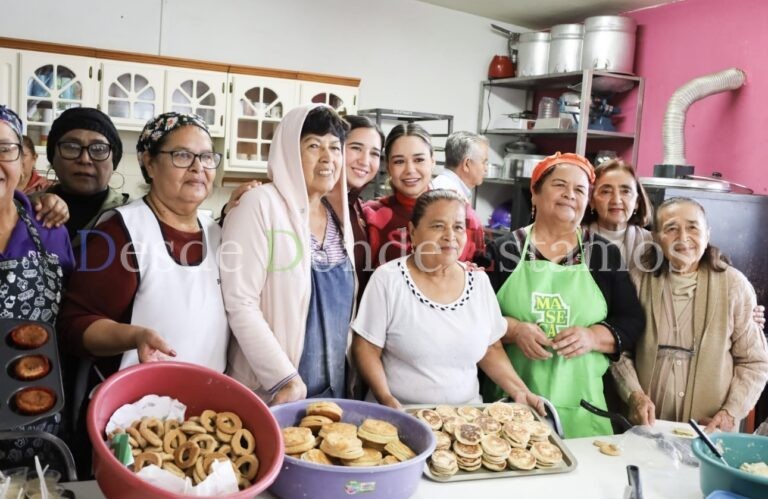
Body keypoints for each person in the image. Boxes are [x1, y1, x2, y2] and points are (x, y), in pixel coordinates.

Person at [482, 152, 645, 438]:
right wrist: (515, 330)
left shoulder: (603, 254)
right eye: (559, 185)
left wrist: (593, 336)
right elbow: (476, 321)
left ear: (588, 201)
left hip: (582, 410)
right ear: (535, 193)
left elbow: (631, 321)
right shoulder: (503, 251)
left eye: (580, 189)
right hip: (510, 406)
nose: (570, 195)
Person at [58, 111, 229, 374]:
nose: (198, 167)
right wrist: (133, 336)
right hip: (134, 407)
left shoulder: (217, 233)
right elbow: (75, 325)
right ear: (149, 163)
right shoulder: (120, 232)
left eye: (207, 156)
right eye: (182, 155)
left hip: (207, 404)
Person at [352, 189, 544, 412]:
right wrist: (385, 398)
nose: (450, 235)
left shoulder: (478, 282)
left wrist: (521, 391)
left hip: (464, 418)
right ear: (413, 232)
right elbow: (366, 347)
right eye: (438, 226)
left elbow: (491, 348)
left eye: (458, 227)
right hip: (400, 414)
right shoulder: (388, 279)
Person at [221, 104, 355, 404]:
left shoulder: (336, 217)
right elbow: (240, 302)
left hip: (331, 394)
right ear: (288, 152)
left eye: (335, 147)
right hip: (275, 392)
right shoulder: (259, 205)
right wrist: (286, 380)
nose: (327, 158)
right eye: (313, 145)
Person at [611, 197, 768, 432]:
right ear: (655, 238)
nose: (683, 238)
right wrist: (634, 395)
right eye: (671, 228)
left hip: (709, 432)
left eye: (693, 227)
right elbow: (619, 349)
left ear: (707, 233)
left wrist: (730, 413)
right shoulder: (637, 280)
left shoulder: (735, 285)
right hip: (644, 427)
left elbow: (754, 361)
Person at [0, 105, 74, 469]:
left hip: (38, 421)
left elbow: (73, 313)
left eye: (4, 148)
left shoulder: (49, 229)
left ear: (23, 160)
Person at [364, 124, 485, 267]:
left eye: (419, 160)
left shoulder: (463, 215)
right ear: (388, 167)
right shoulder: (370, 217)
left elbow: (482, 273)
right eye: (399, 161)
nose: (410, 169)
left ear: (433, 161)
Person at [45, 107, 129, 247]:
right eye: (71, 146)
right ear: (52, 157)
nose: (84, 159)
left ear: (114, 160)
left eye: (99, 149)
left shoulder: (132, 214)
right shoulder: (25, 210)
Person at [581, 159, 653, 271]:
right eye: (606, 191)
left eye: (625, 191)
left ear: (637, 202)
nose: (616, 200)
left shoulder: (652, 243)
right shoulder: (573, 241)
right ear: (591, 201)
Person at [341, 115, 383, 298]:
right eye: (356, 148)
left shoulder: (360, 209)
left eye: (374, 153)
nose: (365, 161)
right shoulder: (310, 203)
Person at [430, 131, 489, 202]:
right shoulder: (451, 198)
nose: (486, 169)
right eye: (483, 162)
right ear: (467, 164)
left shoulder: (442, 185)